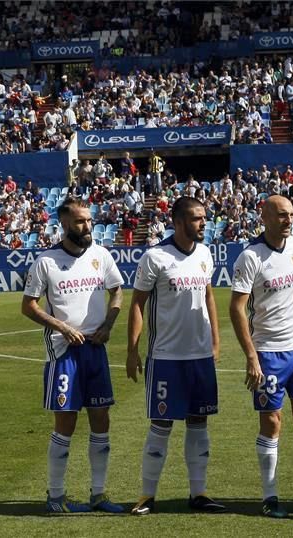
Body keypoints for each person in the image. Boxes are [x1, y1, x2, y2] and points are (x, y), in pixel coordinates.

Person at [21, 198, 125, 514]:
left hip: (96, 350)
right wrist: (61, 326)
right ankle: (55, 497)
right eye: (80, 221)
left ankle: (98, 494)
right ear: (65, 223)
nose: (87, 226)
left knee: (101, 420)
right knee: (66, 422)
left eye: (89, 220)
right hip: (64, 352)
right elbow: (28, 305)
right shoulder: (46, 262)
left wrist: (108, 324)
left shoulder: (101, 255)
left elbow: (117, 290)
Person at [230, 195, 293, 518]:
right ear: (265, 217)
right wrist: (251, 356)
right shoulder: (251, 257)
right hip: (269, 354)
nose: (289, 219)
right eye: (282, 215)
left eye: (291, 214)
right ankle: (270, 496)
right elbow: (236, 308)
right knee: (272, 422)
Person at [126, 196, 225, 516]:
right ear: (178, 221)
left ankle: (199, 493)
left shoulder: (206, 254)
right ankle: (146, 496)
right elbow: (137, 304)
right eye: (197, 218)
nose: (203, 223)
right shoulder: (155, 257)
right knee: (161, 423)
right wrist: (132, 350)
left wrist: (216, 341)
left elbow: (209, 296)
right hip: (166, 356)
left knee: (199, 422)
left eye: (204, 218)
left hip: (199, 356)